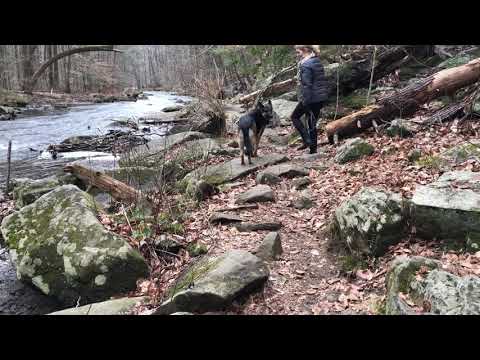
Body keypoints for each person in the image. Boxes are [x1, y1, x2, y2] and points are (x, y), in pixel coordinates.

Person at [291, 45, 328, 154]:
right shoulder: (316, 60)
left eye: (299, 52)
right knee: (312, 123)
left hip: (311, 98)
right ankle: (313, 149)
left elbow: (307, 85)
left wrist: (305, 101)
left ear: (305, 50)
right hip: (320, 97)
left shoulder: (306, 65)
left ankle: (307, 140)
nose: (298, 54)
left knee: (294, 117)